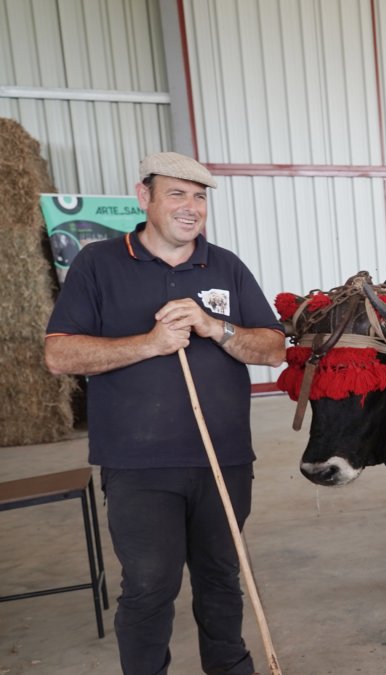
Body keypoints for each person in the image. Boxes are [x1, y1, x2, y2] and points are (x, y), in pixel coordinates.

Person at [44, 152, 285, 675]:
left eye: (200, 197)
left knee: (222, 576)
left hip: (224, 459)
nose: (191, 207)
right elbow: (59, 355)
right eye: (177, 193)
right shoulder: (99, 263)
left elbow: (273, 349)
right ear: (143, 197)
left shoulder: (225, 265)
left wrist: (215, 327)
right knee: (151, 585)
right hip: (138, 464)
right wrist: (150, 344)